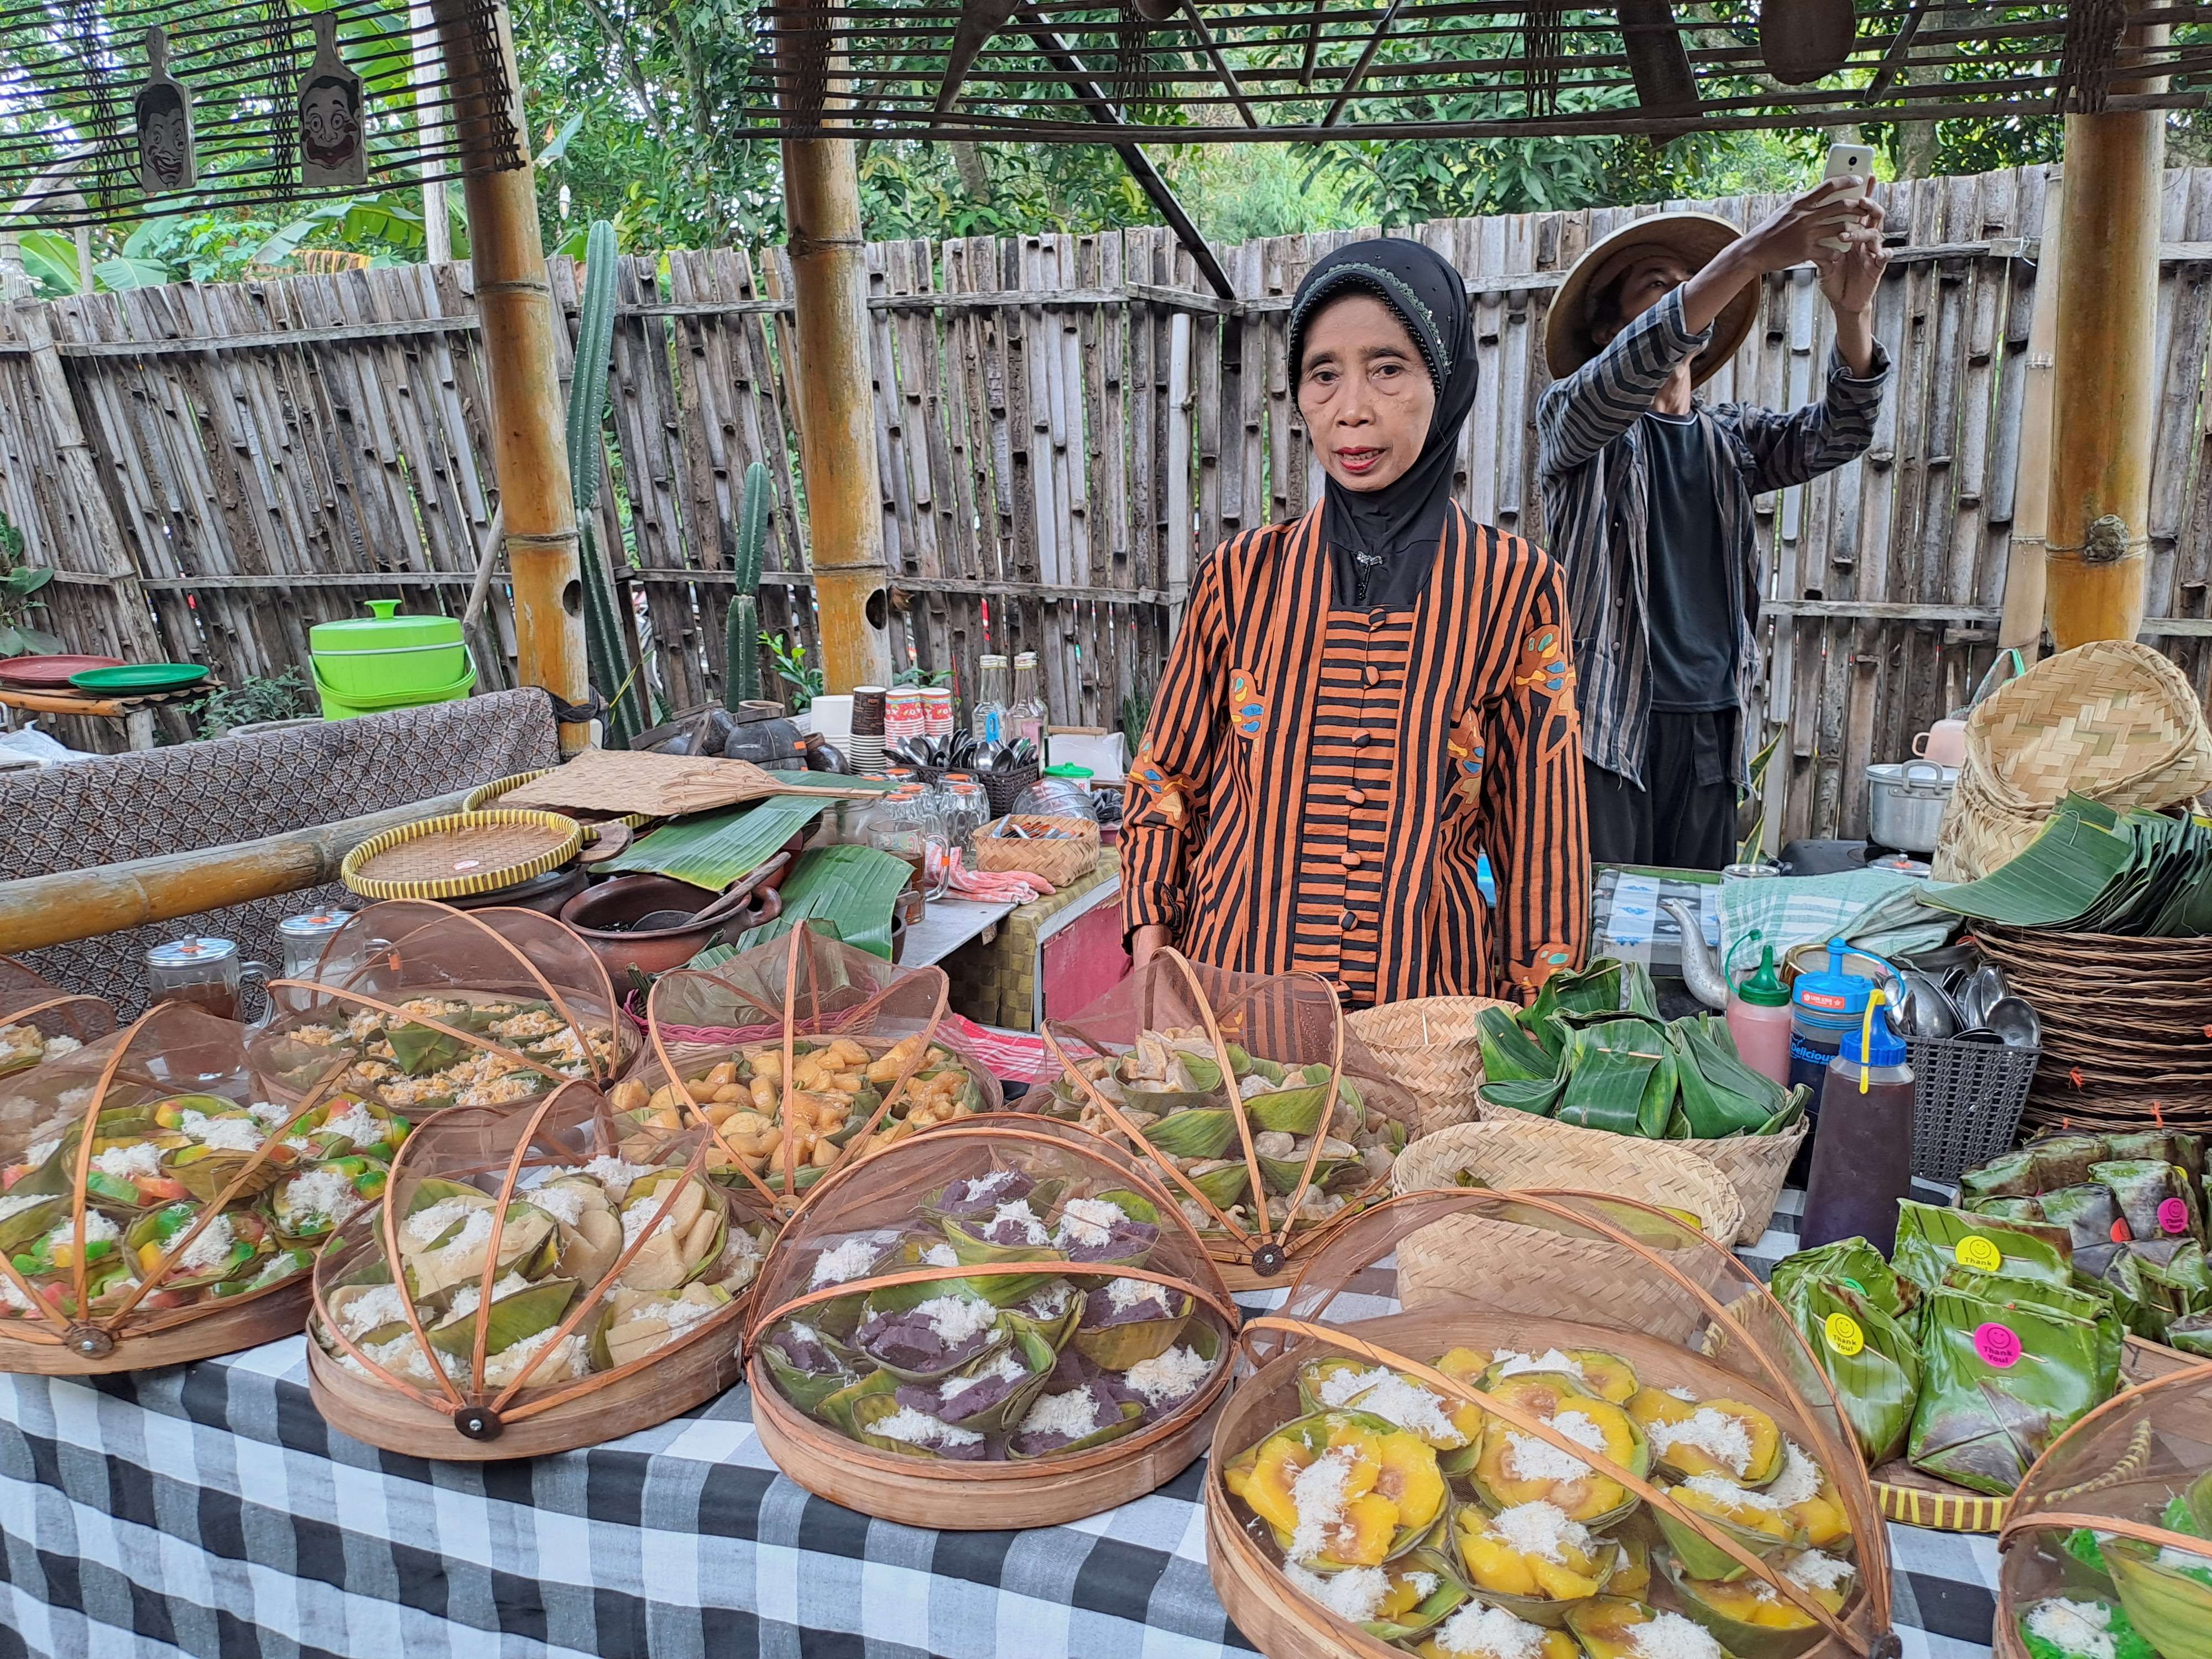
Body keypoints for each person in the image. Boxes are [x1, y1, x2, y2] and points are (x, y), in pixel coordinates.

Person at [1121, 239, 1589, 1008]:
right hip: (1236, 1007)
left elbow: (1544, 841)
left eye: (1388, 368)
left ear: (1444, 380)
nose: (1352, 410)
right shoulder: (1241, 579)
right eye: (1324, 374)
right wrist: (1151, 943)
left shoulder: (1515, 588)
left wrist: (1536, 1023)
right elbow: (1165, 778)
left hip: (1424, 1022)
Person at [1537, 180, 1892, 870]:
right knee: (1599, 928)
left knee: (1688, 928)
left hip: (1710, 724)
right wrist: (1745, 258)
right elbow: (1614, 383)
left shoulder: (1732, 439)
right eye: (1656, 286)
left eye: (1687, 283)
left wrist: (1853, 314)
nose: (1682, 294)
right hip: (1605, 724)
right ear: (1614, 330)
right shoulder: (1573, 424)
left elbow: (1841, 431)